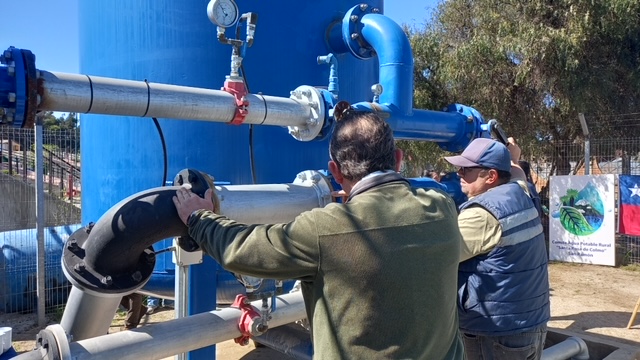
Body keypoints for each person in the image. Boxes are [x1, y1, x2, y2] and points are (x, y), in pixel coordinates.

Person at [172, 106, 465, 359]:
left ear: (335, 172)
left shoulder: (325, 228)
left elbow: (243, 249)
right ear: (398, 159)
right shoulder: (441, 207)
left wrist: (199, 218)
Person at [445, 137, 550, 360]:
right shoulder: (521, 193)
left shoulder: (481, 214)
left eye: (467, 169)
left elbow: (437, 257)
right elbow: (518, 175)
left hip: (493, 333)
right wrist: (511, 158)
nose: (459, 174)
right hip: (530, 322)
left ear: (491, 176)